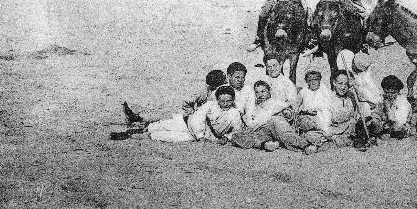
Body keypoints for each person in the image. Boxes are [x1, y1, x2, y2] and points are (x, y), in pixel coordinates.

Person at [111, 86, 242, 143]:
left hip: (194, 136)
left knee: (162, 136)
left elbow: (236, 130)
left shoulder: (234, 113)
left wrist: (226, 137)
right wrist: (200, 136)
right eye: (222, 100)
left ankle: (132, 136)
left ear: (233, 100)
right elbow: (198, 119)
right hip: (187, 123)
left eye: (228, 101)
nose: (225, 103)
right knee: (159, 125)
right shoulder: (210, 105)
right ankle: (134, 131)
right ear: (217, 99)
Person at [230, 80, 317, 154]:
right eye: (257, 92)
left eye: (263, 91)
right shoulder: (256, 107)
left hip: (277, 126)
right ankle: (266, 144)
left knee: (277, 122)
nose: (260, 95)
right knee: (237, 136)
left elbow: (289, 111)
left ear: (269, 91)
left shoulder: (276, 102)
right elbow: (251, 122)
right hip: (263, 130)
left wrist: (287, 113)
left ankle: (305, 145)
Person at [336, 50, 381, 120]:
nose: (359, 71)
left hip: (360, 91)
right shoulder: (345, 59)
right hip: (348, 90)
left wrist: (372, 99)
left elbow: (369, 86)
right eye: (357, 69)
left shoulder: (365, 71)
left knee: (371, 98)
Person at [369, 75, 412, 139]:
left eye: (393, 93)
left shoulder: (402, 101)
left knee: (398, 129)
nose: (390, 95)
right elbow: (375, 113)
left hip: (398, 125)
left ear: (398, 91)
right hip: (385, 124)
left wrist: (388, 108)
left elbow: (399, 121)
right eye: (386, 92)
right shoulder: (382, 98)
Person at [263, 53, 299, 119]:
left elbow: (293, 104)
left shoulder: (287, 83)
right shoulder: (264, 81)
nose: (272, 69)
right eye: (269, 66)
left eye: (275, 65)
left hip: (281, 115)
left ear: (281, 65)